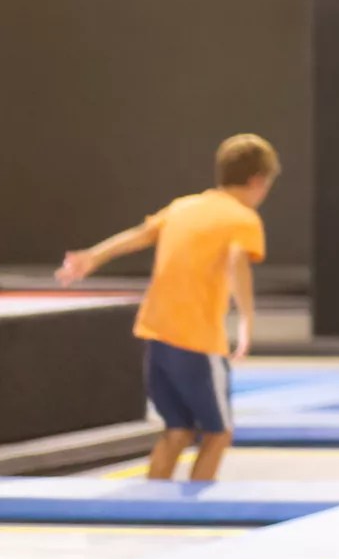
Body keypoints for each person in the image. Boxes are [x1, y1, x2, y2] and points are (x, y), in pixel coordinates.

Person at [56, 133, 278, 483]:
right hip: (197, 340)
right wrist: (248, 321)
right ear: (257, 181)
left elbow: (139, 235)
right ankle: (195, 515)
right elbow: (237, 261)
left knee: (177, 431)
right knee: (218, 433)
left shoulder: (183, 207)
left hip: (156, 334)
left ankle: (149, 508)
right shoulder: (242, 218)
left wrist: (92, 256)